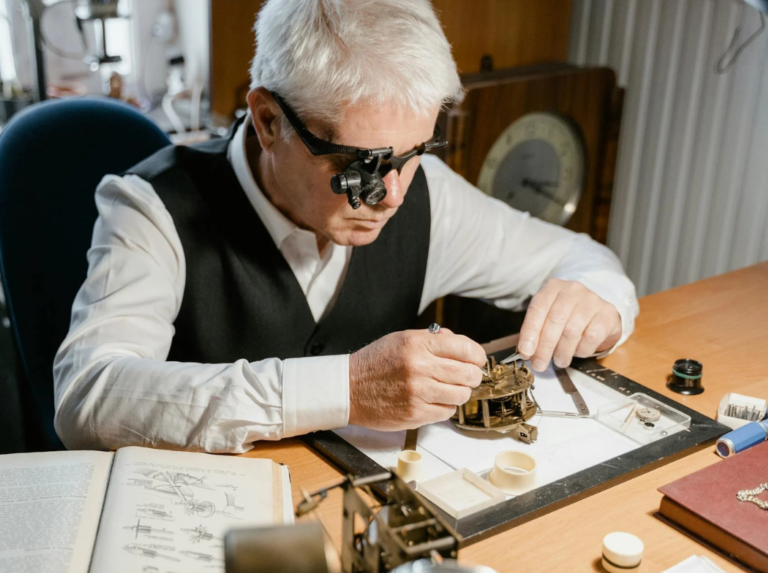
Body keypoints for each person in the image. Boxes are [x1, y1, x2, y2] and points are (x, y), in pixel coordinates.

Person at [53, 0, 639, 452]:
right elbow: (87, 398)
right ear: (268, 120)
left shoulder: (424, 192)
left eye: (414, 153)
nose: (392, 195)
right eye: (364, 164)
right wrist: (348, 389)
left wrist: (597, 304)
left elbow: (586, 261)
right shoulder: (152, 208)